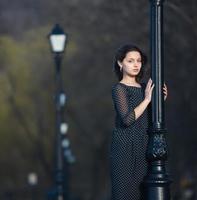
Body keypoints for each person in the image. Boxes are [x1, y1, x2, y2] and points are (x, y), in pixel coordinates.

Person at [110, 44, 168, 200]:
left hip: (144, 146)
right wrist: (148, 99)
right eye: (130, 61)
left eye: (139, 61)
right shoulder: (119, 89)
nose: (136, 64)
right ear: (120, 63)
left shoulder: (145, 88)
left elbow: (149, 118)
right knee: (124, 195)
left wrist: (159, 103)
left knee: (143, 194)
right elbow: (128, 119)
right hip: (124, 147)